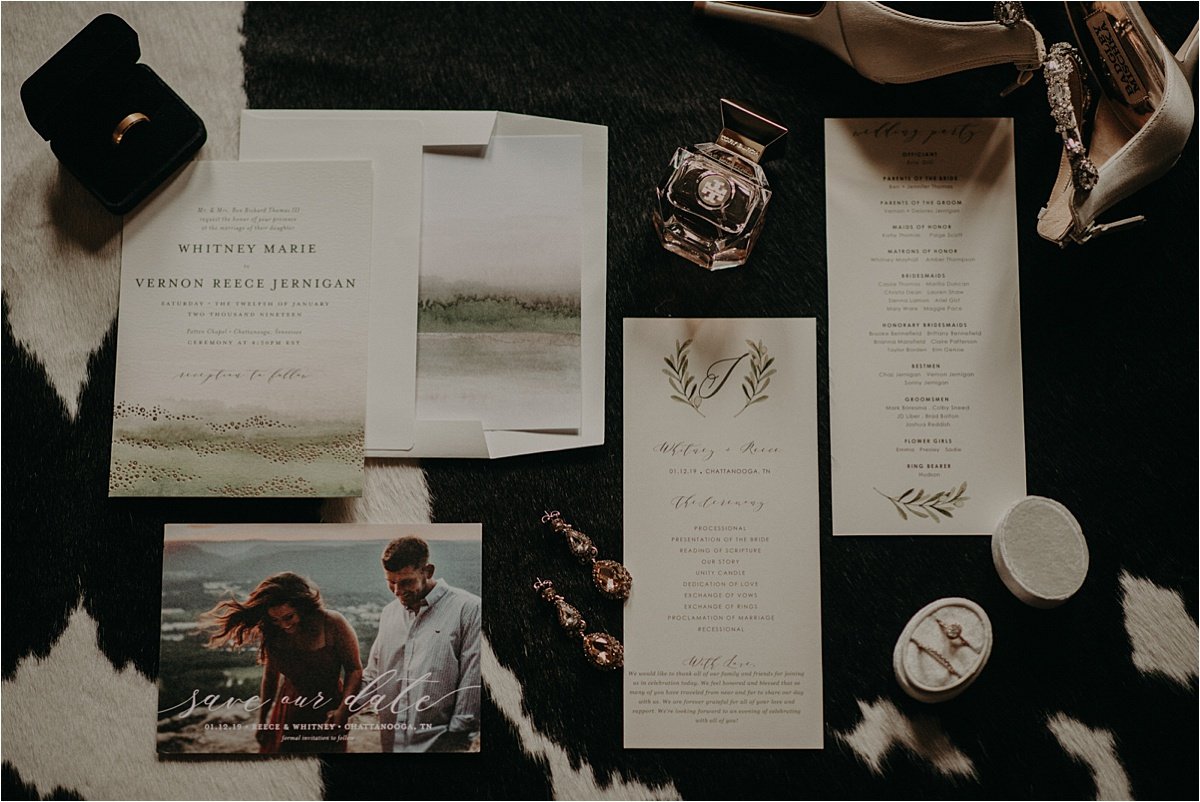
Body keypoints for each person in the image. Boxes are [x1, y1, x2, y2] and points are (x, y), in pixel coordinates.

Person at [203, 572, 363, 753]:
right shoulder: (273, 631)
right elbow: (270, 677)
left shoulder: (332, 622)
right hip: (289, 707)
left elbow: (354, 669)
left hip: (328, 707)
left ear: (303, 607)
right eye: (275, 619)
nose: (284, 625)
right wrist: (262, 721)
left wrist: (343, 710)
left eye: (289, 617)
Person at [358, 536, 481, 752]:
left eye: (406, 582)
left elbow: (471, 682)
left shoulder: (469, 609)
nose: (397, 591)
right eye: (391, 582)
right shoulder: (389, 614)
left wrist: (457, 739)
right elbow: (374, 674)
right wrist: (342, 702)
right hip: (391, 745)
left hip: (440, 747)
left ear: (428, 571)